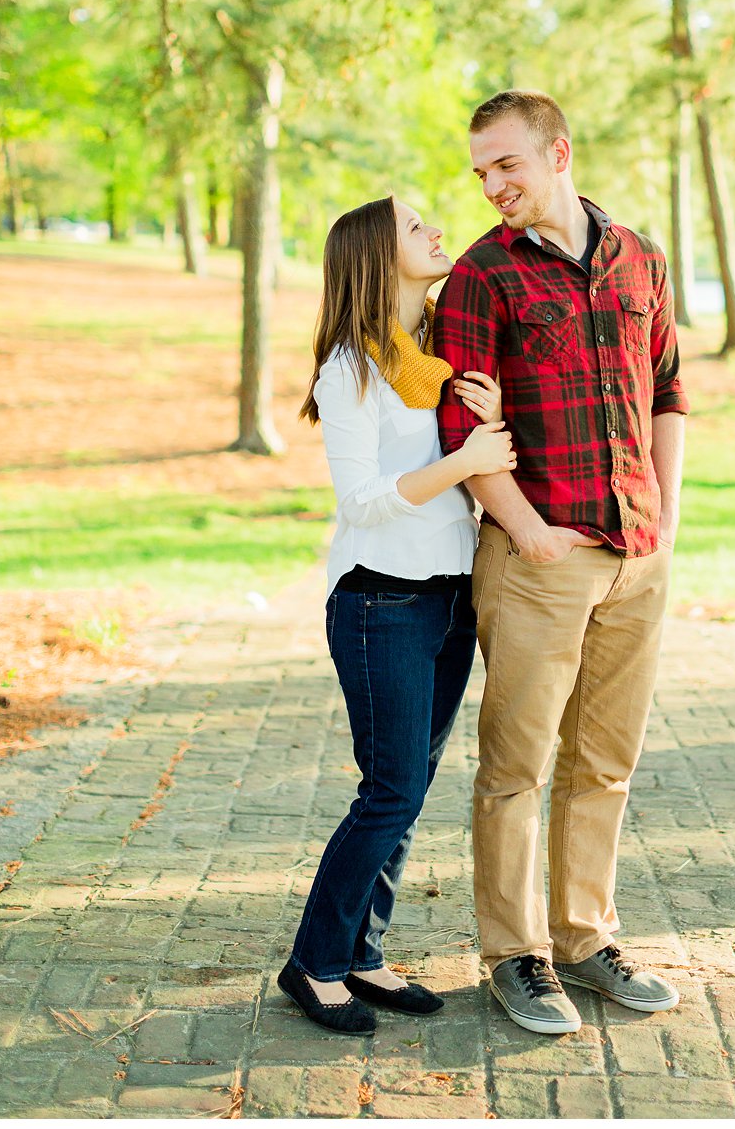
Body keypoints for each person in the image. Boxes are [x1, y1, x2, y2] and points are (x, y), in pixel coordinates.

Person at [432, 89, 688, 1034]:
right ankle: (515, 954)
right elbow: (460, 428)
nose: (493, 185)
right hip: (538, 561)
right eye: (481, 172)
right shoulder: (481, 275)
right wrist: (529, 531)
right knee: (517, 765)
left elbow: (668, 390)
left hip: (636, 553)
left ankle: (585, 938)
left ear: (559, 153)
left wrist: (667, 512)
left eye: (507, 165)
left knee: (606, 762)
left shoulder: (638, 257)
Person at [279, 196, 515, 1035]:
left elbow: (460, 457)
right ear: (379, 257)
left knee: (406, 795)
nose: (437, 232)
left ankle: (364, 952)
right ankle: (313, 963)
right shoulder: (347, 369)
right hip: (381, 598)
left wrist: (482, 430)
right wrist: (464, 460)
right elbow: (365, 501)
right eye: (417, 227)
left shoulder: (431, 359)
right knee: (390, 790)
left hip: (448, 598)